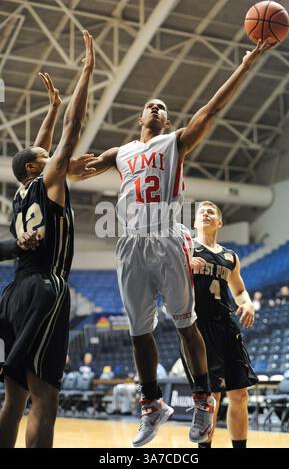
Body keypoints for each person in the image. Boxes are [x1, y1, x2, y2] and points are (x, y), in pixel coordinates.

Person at [69, 38, 271, 447]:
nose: (158, 108)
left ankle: (201, 399)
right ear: (142, 115)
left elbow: (212, 108)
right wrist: (70, 164)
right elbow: (76, 171)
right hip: (129, 243)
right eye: (152, 105)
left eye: (163, 106)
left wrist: (247, 63)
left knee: (185, 321)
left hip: (164, 235)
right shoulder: (121, 151)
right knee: (139, 333)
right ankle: (152, 404)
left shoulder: (175, 141)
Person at [0, 30, 95, 448]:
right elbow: (73, 130)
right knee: (46, 400)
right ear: (37, 169)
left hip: (14, 291)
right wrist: (86, 73)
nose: (56, 155)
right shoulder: (48, 181)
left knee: (14, 398)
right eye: (50, 157)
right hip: (45, 288)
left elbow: (36, 148)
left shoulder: (22, 193)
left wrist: (50, 109)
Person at [182, 200, 258, 449]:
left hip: (226, 325)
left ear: (220, 222)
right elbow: (162, 281)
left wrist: (247, 304)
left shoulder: (230, 256)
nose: (205, 213)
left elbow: (241, 291)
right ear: (194, 222)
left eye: (211, 211)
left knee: (240, 394)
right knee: (211, 397)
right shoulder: (185, 248)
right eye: (201, 211)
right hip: (198, 327)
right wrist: (183, 266)